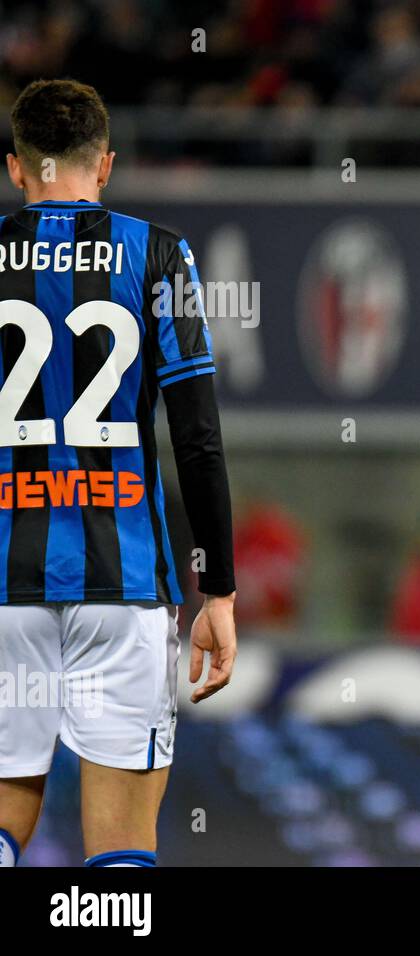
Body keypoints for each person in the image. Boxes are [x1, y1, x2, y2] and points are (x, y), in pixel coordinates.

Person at [0, 80, 237, 868]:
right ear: (104, 165)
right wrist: (221, 590)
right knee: (122, 854)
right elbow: (198, 436)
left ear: (15, 169)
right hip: (124, 578)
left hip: (5, 585)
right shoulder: (158, 253)